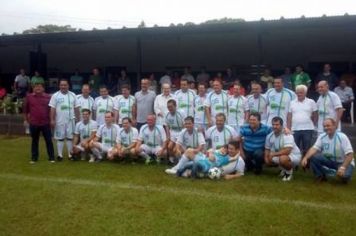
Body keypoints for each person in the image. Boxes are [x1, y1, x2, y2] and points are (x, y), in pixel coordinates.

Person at [301, 118, 354, 183]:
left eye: (328, 126)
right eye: (324, 126)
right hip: (330, 160)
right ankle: (320, 176)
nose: (326, 128)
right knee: (313, 157)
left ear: (334, 126)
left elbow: (350, 154)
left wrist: (343, 167)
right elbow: (314, 148)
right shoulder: (322, 136)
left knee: (345, 176)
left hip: (343, 162)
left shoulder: (342, 137)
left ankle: (341, 174)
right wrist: (305, 158)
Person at [49, 79, 80, 161]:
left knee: (70, 138)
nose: (63, 86)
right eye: (61, 85)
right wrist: (52, 119)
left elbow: (76, 108)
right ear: (59, 86)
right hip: (59, 120)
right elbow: (52, 108)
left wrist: (78, 120)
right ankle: (60, 155)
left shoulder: (73, 95)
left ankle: (70, 155)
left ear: (68, 86)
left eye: (65, 85)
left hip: (71, 120)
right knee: (60, 138)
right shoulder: (55, 95)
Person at [23, 83, 55, 163]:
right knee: (34, 141)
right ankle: (34, 158)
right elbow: (25, 110)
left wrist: (52, 120)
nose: (38, 88)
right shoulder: (29, 97)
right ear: (33, 89)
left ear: (43, 89)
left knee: (49, 140)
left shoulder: (48, 97)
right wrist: (25, 120)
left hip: (46, 122)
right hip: (34, 123)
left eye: (40, 87)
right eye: (36, 87)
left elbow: (52, 110)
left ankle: (51, 157)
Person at [265, 117, 302, 181]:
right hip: (281, 155)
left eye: (277, 125)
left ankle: (289, 173)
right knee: (270, 157)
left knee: (282, 158)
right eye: (273, 124)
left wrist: (273, 154)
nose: (274, 126)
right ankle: (283, 170)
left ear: (282, 125)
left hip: (294, 156)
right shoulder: (269, 136)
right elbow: (267, 149)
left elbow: (287, 151)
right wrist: (266, 158)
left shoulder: (287, 134)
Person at [287, 85, 318, 155]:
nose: (299, 94)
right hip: (294, 129)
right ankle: (296, 164)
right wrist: (289, 128)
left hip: (308, 129)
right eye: (297, 93)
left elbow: (315, 114)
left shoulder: (311, 102)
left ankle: (306, 164)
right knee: (295, 148)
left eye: (301, 92)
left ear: (305, 93)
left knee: (307, 148)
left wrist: (313, 123)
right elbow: (289, 116)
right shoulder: (292, 103)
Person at [164, 99, 185, 163]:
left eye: (171, 106)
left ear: (175, 106)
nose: (170, 108)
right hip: (173, 132)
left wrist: (182, 135)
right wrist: (168, 136)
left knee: (175, 149)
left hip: (180, 132)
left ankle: (180, 161)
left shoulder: (181, 112)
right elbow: (167, 126)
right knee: (169, 147)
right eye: (168, 107)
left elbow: (184, 124)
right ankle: (171, 160)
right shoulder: (167, 114)